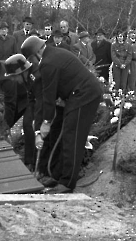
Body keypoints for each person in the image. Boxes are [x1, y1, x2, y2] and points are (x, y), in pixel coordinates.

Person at [21, 36, 102, 194]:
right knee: (66, 135)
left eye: (31, 58)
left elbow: (49, 96)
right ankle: (58, 176)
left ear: (36, 53)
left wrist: (45, 122)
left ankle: (67, 183)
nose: (33, 62)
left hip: (84, 95)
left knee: (72, 138)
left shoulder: (47, 63)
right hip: (78, 95)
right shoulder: (55, 54)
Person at [0, 51, 36, 171]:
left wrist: (5, 125)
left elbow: (10, 105)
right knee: (1, 125)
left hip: (30, 98)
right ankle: (0, 153)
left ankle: (31, 162)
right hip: (18, 99)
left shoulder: (6, 77)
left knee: (27, 125)